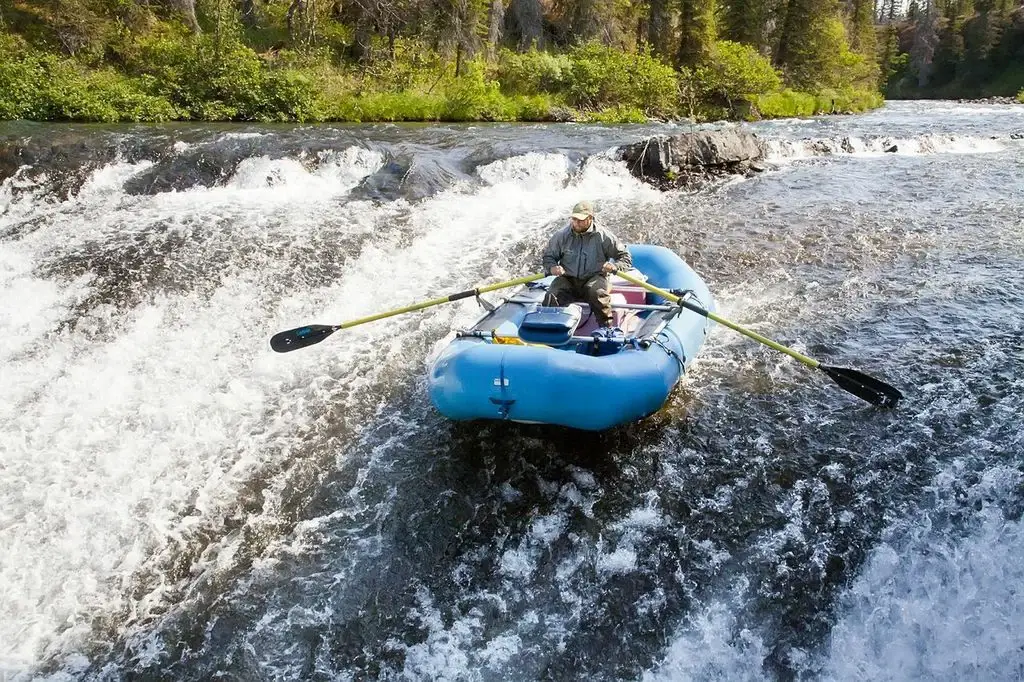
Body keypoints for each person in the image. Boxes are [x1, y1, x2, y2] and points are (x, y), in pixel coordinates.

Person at [541, 201, 632, 328]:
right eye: (574, 219)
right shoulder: (561, 236)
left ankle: (606, 329)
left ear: (590, 218)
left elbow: (624, 256)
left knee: (598, 293)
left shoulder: (603, 236)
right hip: (568, 279)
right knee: (552, 295)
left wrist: (615, 267)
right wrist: (552, 267)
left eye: (580, 220)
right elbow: (548, 257)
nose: (576, 223)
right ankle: (548, 328)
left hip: (595, 278)